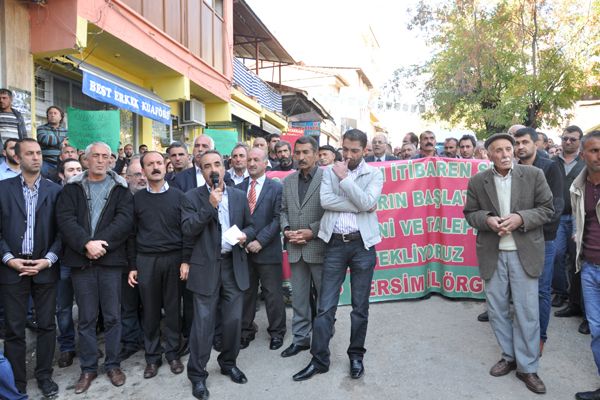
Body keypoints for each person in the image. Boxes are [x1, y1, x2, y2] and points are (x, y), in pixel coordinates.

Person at [464, 133, 553, 394]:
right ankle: (508, 356)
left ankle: (528, 367)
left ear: (514, 151)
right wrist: (488, 219)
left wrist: (520, 218)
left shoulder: (533, 175)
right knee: (497, 309)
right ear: (488, 155)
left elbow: (548, 208)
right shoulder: (478, 181)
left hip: (523, 251)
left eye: (508, 149)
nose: (504, 154)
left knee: (527, 311)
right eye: (498, 150)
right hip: (493, 252)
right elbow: (470, 213)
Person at [293, 129, 383, 381]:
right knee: (325, 306)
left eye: (355, 150)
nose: (349, 154)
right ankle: (319, 359)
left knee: (360, 306)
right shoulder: (330, 170)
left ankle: (356, 356)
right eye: (345, 149)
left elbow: (366, 201)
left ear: (364, 150)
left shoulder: (374, 173)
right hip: (334, 244)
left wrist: (345, 181)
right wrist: (362, 203)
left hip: (362, 246)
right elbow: (326, 201)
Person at [56, 141, 133, 394]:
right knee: (87, 319)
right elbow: (65, 221)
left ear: (111, 160)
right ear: (86, 160)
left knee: (112, 317)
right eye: (95, 156)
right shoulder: (72, 188)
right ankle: (88, 368)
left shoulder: (121, 189)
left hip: (110, 262)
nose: (101, 160)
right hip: (81, 261)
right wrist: (86, 244)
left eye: (105, 157)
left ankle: (113, 364)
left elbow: (124, 221)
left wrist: (101, 245)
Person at [181, 150, 255, 400]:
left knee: (233, 321)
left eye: (216, 164)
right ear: (200, 171)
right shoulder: (191, 197)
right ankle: (198, 375)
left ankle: (228, 363)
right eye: (206, 166)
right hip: (205, 268)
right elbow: (188, 229)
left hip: (233, 265)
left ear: (224, 167)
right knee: (203, 325)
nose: (213, 169)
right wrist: (209, 207)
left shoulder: (237, 195)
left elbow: (250, 225)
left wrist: (246, 235)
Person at [0, 138, 62, 397]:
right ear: (17, 157)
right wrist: (7, 258)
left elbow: (63, 232)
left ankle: (45, 376)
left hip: (44, 267)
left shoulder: (55, 190)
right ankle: (18, 382)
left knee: (47, 325)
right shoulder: (2, 189)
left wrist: (48, 259)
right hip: (12, 268)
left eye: (38, 153)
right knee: (14, 329)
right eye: (30, 153)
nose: (36, 157)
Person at [128, 151, 188, 379]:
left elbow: (186, 233)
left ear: (166, 166)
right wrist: (133, 265)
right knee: (150, 312)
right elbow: (131, 236)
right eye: (150, 164)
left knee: (173, 310)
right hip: (146, 260)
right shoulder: (136, 199)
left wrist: (185, 260)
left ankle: (172, 354)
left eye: (159, 163)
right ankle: (152, 358)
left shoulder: (179, 196)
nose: (155, 167)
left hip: (173, 259)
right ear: (143, 170)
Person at [514, 128, 564, 355]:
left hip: (543, 239)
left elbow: (555, 208)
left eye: (525, 142)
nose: (520, 146)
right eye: (517, 143)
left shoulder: (550, 167)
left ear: (536, 144)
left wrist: (525, 222)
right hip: (515, 237)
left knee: (541, 291)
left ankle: (539, 337)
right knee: (519, 289)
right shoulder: (511, 168)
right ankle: (522, 334)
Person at [279, 136, 326, 358]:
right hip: (295, 248)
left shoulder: (329, 178)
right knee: (298, 298)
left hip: (319, 247)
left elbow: (332, 213)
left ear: (316, 155)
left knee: (325, 299)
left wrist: (312, 231)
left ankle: (323, 339)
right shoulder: (288, 181)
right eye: (297, 153)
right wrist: (286, 228)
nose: (301, 157)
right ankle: (301, 339)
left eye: (306, 152)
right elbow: (283, 210)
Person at [237, 147, 286, 350]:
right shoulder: (238, 187)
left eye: (256, 159)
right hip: (244, 250)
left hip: (267, 249)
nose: (251, 163)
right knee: (247, 293)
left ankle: (277, 332)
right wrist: (244, 240)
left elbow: (277, 219)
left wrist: (260, 241)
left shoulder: (276, 188)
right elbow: (235, 218)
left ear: (266, 163)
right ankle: (246, 330)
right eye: (249, 160)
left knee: (272, 293)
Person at [571, 131, 600, 400]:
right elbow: (582, 221)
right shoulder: (578, 187)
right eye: (593, 150)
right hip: (590, 268)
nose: (599, 155)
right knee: (597, 331)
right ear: (583, 156)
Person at [553, 126, 588, 334]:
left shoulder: (586, 162)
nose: (568, 142)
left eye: (573, 139)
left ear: (580, 141)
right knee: (557, 255)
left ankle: (578, 304)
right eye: (565, 138)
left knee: (578, 262)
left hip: (578, 219)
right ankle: (561, 293)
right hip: (556, 218)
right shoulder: (552, 163)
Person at [54, 158, 83, 369]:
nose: (76, 172)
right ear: (62, 175)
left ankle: (87, 345)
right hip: (62, 260)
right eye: (71, 169)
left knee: (87, 307)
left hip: (83, 259)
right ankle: (66, 347)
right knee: (63, 308)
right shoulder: (55, 195)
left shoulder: (87, 194)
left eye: (79, 169)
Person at [119, 158, 146, 362]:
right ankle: (131, 342)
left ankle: (148, 339)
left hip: (149, 260)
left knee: (149, 304)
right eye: (137, 175)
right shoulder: (120, 198)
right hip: (125, 262)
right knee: (128, 306)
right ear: (126, 178)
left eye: (143, 173)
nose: (142, 178)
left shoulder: (154, 197)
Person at [36, 105, 67, 177]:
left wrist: (56, 142)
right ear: (47, 116)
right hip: (45, 163)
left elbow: (68, 146)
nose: (52, 115)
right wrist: (61, 141)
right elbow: (47, 140)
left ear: (61, 117)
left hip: (62, 163)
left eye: (55, 113)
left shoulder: (66, 131)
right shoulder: (41, 128)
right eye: (50, 113)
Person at [0, 88, 27, 153]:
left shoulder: (18, 115)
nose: (1, 100)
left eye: (4, 98)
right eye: (0, 98)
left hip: (16, 151)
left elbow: (23, 134)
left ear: (11, 99)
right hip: (1, 151)